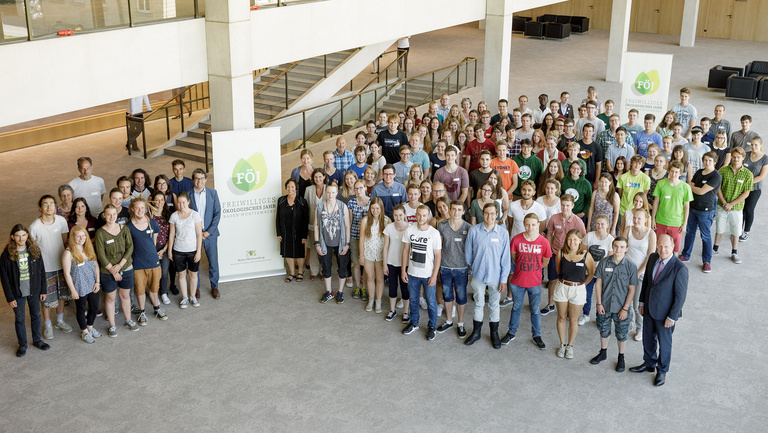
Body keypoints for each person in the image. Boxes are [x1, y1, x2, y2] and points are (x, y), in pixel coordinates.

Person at [630, 234, 688, 387]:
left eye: (666, 247)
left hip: (665, 314)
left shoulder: (679, 268)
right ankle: (649, 363)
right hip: (649, 308)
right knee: (648, 338)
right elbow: (647, 283)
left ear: (673, 247)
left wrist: (672, 317)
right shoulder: (652, 258)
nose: (662, 250)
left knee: (664, 343)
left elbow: (680, 297)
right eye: (660, 246)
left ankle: (662, 371)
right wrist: (641, 302)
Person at [464, 202, 511, 348]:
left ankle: (494, 333)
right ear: (482, 214)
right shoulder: (474, 231)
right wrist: (473, 268)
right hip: (478, 275)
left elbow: (505, 259)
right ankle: (476, 332)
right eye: (486, 213)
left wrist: (503, 280)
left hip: (495, 277)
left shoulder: (503, 233)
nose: (489, 216)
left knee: (494, 304)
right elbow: (468, 253)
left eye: (492, 213)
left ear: (497, 214)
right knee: (478, 304)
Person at [1, 224, 51, 357]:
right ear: (12, 237)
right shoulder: (6, 255)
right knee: (20, 319)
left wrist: (43, 290)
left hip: (34, 290)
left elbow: (41, 271)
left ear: (27, 235)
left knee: (36, 316)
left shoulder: (34, 250)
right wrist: (10, 298)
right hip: (17, 294)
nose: (21, 238)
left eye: (23, 235)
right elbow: (4, 279)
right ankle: (22, 344)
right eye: (17, 235)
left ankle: (37, 340)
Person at [503, 212, 551, 350]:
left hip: (535, 282)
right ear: (524, 224)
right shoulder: (516, 239)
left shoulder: (543, 242)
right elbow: (514, 258)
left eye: (533, 224)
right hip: (518, 281)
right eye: (528, 224)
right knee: (516, 307)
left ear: (538, 225)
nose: (530, 227)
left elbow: (546, 260)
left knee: (535, 310)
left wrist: (535, 268)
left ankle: (536, 335)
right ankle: (511, 332)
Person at [590, 236, 638, 372]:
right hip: (604, 305)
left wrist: (625, 309)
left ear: (627, 249)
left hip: (621, 308)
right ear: (612, 246)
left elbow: (632, 289)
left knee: (622, 334)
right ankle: (603, 352)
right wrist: (599, 303)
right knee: (603, 329)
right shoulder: (604, 263)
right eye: (616, 246)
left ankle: (621, 357)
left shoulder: (631, 267)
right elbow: (598, 282)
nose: (618, 249)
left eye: (622, 247)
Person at [29, 195, 72, 340]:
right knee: (46, 299)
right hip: (45, 269)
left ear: (55, 206)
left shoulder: (61, 221)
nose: (49, 207)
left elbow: (65, 242)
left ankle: (59, 321)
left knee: (61, 295)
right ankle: (47, 325)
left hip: (61, 265)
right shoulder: (35, 227)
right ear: (40, 208)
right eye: (45, 204)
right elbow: (32, 251)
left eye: (52, 204)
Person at [401, 206, 442, 340]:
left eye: (424, 215)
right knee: (413, 299)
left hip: (428, 274)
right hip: (412, 273)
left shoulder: (434, 233)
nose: (421, 218)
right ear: (415, 215)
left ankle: (432, 326)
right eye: (419, 215)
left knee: (431, 302)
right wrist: (403, 270)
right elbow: (405, 251)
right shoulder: (410, 230)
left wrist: (434, 275)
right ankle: (414, 323)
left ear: (428, 216)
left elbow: (438, 256)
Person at [95, 204, 136, 336]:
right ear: (104, 215)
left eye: (114, 214)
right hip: (107, 271)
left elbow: (130, 247)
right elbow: (101, 255)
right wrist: (114, 271)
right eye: (109, 214)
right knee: (110, 298)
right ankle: (112, 325)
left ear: (117, 215)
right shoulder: (100, 233)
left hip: (126, 267)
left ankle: (128, 319)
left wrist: (120, 266)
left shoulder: (124, 229)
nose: (112, 217)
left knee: (125, 296)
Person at [553, 229, 595, 359]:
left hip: (578, 289)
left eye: (575, 239)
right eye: (570, 239)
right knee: (561, 317)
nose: (572, 242)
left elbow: (591, 273)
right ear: (566, 240)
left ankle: (570, 346)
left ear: (580, 240)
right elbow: (559, 271)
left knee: (573, 319)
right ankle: (562, 344)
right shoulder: (561, 253)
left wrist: (581, 285)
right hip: (562, 287)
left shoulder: (586, 255)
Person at [542, 195, 586, 315]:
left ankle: (567, 308)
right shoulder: (554, 218)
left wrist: (578, 255)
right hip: (555, 253)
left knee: (568, 282)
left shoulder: (578, 221)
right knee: (552, 279)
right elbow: (550, 233)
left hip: (570, 257)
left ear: (572, 206)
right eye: (563, 205)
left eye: (567, 205)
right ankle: (550, 304)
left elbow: (583, 238)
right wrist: (550, 249)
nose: (565, 207)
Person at [434, 200, 471, 338]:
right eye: (453, 209)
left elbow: (471, 249)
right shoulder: (442, 226)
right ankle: (449, 320)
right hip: (445, 267)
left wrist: (470, 268)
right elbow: (439, 248)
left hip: (461, 268)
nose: (456, 212)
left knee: (461, 297)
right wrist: (436, 267)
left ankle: (460, 323)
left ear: (463, 211)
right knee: (447, 295)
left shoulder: (468, 228)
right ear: (449, 210)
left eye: (459, 209)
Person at [680, 152, 720, 273]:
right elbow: (691, 185)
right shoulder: (699, 172)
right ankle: (686, 254)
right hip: (693, 208)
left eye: (710, 160)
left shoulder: (716, 176)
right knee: (690, 233)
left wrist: (692, 187)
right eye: (705, 160)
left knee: (705, 236)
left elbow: (701, 191)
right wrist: (693, 187)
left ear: (714, 162)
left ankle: (707, 261)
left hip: (706, 211)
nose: (707, 162)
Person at [622, 208, 657, 342]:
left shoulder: (650, 234)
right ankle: (629, 324)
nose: (636, 220)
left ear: (646, 219)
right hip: (627, 271)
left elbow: (650, 256)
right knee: (627, 302)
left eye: (639, 218)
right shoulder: (628, 230)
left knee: (637, 304)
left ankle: (640, 328)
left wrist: (638, 273)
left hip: (641, 273)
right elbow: (623, 250)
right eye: (634, 218)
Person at [62, 226, 101, 344]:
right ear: (73, 237)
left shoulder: (88, 248)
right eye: (78, 236)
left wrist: (98, 282)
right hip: (79, 286)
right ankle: (84, 332)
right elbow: (67, 274)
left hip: (92, 283)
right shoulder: (68, 253)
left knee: (94, 307)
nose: (81, 238)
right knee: (81, 309)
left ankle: (90, 327)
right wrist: (73, 290)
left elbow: (95, 266)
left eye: (83, 235)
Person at [713, 147, 753, 264]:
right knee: (719, 229)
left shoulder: (747, 174)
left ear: (743, 158)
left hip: (736, 208)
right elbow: (718, 188)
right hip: (722, 206)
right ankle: (715, 249)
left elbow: (746, 193)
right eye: (734, 157)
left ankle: (734, 252)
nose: (735, 159)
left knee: (736, 231)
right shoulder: (723, 171)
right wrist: (725, 202)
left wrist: (731, 204)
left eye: (738, 157)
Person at [316, 183, 352, 305]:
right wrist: (317, 244)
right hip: (325, 243)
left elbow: (347, 226)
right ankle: (329, 292)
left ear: (337, 193)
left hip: (341, 243)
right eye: (328, 192)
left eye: (333, 192)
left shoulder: (343, 207)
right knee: (326, 268)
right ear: (325, 193)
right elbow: (316, 226)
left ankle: (340, 292)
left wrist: (347, 243)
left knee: (342, 268)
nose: (330, 195)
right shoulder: (320, 207)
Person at [188, 168, 221, 299]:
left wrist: (208, 232)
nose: (199, 181)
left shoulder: (213, 193)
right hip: (193, 235)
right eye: (196, 178)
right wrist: (197, 233)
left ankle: (214, 286)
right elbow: (186, 215)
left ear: (206, 180)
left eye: (202, 178)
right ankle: (196, 287)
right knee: (194, 261)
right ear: (193, 180)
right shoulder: (187, 194)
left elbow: (217, 214)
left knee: (213, 261)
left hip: (210, 234)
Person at [167, 193, 202, 309]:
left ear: (188, 202)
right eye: (179, 202)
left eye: (183, 202)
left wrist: (199, 251)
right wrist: (170, 251)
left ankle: (193, 296)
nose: (181, 205)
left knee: (193, 274)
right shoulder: (174, 216)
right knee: (181, 274)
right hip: (178, 250)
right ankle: (185, 298)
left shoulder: (195, 215)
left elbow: (199, 234)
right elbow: (171, 234)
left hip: (192, 250)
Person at [580, 215, 614, 326]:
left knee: (603, 296)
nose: (599, 226)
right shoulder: (589, 236)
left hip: (602, 273)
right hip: (588, 271)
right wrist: (590, 267)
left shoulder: (610, 240)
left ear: (607, 225)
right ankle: (586, 315)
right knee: (587, 293)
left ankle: (600, 317)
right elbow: (583, 253)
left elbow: (610, 259)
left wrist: (598, 270)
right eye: (598, 223)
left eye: (602, 224)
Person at [651, 161, 693, 254]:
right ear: (668, 171)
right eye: (672, 171)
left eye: (676, 172)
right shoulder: (661, 184)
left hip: (676, 223)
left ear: (681, 173)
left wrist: (685, 224)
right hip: (660, 221)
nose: (674, 174)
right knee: (658, 247)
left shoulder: (686, 187)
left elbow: (686, 206)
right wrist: (653, 219)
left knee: (675, 249)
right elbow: (656, 202)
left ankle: (673, 267)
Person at [359, 198, 389, 313]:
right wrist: (361, 255)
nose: (375, 211)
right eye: (373, 208)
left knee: (380, 279)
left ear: (381, 208)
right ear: (369, 208)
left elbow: (388, 241)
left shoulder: (387, 221)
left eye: (377, 208)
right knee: (370, 278)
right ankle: (371, 299)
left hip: (381, 255)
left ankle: (378, 300)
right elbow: (361, 239)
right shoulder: (365, 220)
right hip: (368, 254)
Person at [276, 178, 309, 283]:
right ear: (286, 188)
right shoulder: (281, 200)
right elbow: (278, 218)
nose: (290, 189)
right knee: (288, 252)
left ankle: (300, 271)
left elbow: (306, 219)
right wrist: (279, 233)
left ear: (296, 188)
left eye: (292, 187)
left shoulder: (302, 201)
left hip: (299, 232)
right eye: (288, 186)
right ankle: (291, 272)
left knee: (299, 252)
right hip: (285, 232)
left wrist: (304, 235)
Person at [383, 205, 410, 323]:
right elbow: (385, 247)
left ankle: (405, 312)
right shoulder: (389, 227)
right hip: (391, 262)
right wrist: (385, 264)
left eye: (400, 215)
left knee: (405, 289)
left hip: (406, 264)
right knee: (392, 287)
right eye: (395, 215)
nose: (398, 217)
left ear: (404, 214)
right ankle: (392, 310)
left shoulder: (410, 228)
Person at [740, 137, 768, 242]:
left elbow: (762, 176)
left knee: (749, 209)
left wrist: (746, 183)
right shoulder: (746, 154)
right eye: (752, 144)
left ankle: (746, 231)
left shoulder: (765, 158)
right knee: (741, 208)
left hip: (754, 188)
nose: (753, 147)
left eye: (756, 145)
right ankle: (738, 230)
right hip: (742, 187)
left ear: (761, 145)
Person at [347, 179, 370, 300]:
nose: (358, 191)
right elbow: (349, 222)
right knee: (356, 263)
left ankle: (365, 287)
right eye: (356, 188)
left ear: (365, 188)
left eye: (361, 188)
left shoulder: (371, 203)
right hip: (355, 236)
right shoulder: (351, 203)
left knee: (365, 264)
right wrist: (348, 238)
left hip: (368, 238)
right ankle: (357, 286)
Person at [151, 191, 175, 303]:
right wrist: (153, 251)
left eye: (162, 199)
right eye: (157, 199)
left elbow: (171, 234)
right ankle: (154, 292)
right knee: (154, 272)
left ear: (165, 201)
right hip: (151, 248)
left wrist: (164, 250)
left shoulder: (169, 215)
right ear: (153, 201)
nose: (159, 202)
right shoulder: (148, 216)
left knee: (164, 272)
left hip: (165, 247)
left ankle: (164, 292)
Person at [304, 169, 327, 280]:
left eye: (320, 176)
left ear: (324, 177)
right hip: (312, 224)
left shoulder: (329, 189)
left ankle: (323, 271)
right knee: (313, 248)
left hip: (326, 225)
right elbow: (305, 207)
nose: (318, 179)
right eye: (315, 177)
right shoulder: (309, 190)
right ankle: (314, 271)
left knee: (324, 248)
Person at [617, 155, 651, 226]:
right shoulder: (623, 177)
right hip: (623, 210)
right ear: (631, 163)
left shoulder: (646, 179)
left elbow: (644, 195)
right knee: (621, 232)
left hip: (638, 211)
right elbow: (620, 194)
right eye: (635, 162)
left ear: (642, 165)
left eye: (639, 163)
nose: (637, 165)